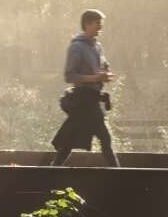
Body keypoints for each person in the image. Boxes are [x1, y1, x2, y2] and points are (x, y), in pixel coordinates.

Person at [50, 9, 120, 167]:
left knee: (71, 140)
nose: (100, 27)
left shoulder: (97, 47)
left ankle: (54, 169)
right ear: (87, 24)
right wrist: (95, 78)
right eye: (98, 23)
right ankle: (120, 176)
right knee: (104, 138)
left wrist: (105, 73)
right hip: (83, 101)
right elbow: (70, 76)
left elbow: (101, 67)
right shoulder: (76, 47)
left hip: (93, 100)